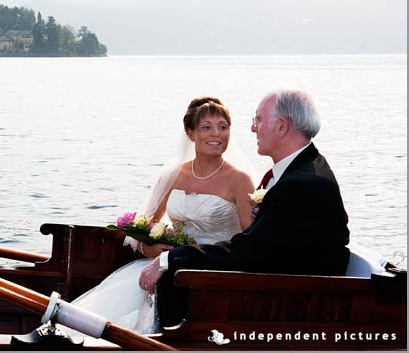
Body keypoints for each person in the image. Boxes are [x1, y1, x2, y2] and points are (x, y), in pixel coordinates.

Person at [139, 89, 351, 327]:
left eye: (258, 120)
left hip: (298, 304)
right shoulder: (300, 170)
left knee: (172, 281)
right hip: (276, 282)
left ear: (281, 127)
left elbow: (249, 250)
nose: (252, 128)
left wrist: (170, 259)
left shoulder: (302, 183)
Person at [63, 96, 256, 334]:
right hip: (167, 264)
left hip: (214, 270)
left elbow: (251, 241)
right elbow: (145, 227)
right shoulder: (174, 175)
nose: (216, 134)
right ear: (190, 133)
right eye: (206, 127)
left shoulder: (240, 180)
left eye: (223, 127)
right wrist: (152, 251)